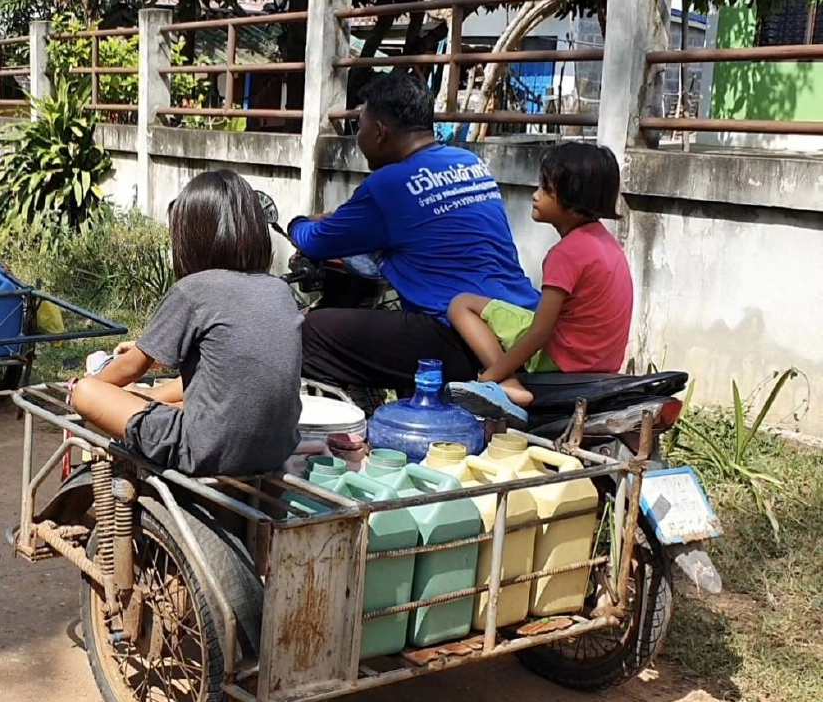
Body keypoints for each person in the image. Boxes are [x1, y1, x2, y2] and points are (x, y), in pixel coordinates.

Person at [288, 72, 540, 395]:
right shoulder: (469, 163)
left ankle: (344, 430)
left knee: (307, 333)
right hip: (516, 322)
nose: (357, 135)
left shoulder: (388, 185)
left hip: (458, 336)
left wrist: (297, 223)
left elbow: (317, 240)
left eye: (359, 125)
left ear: (379, 132)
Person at [70, 170, 302, 475]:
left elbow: (131, 368)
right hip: (277, 448)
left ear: (190, 238)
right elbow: (228, 380)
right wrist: (147, 382)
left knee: (86, 393)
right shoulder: (280, 290)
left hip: (205, 451)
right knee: (179, 400)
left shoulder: (193, 289)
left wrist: (90, 382)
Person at [445, 143, 632, 423]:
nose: (535, 195)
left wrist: (489, 377)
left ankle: (508, 383)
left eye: (546, 190)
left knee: (462, 304)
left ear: (574, 205)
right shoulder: (606, 244)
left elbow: (540, 333)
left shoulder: (566, 253)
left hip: (562, 361)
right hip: (602, 361)